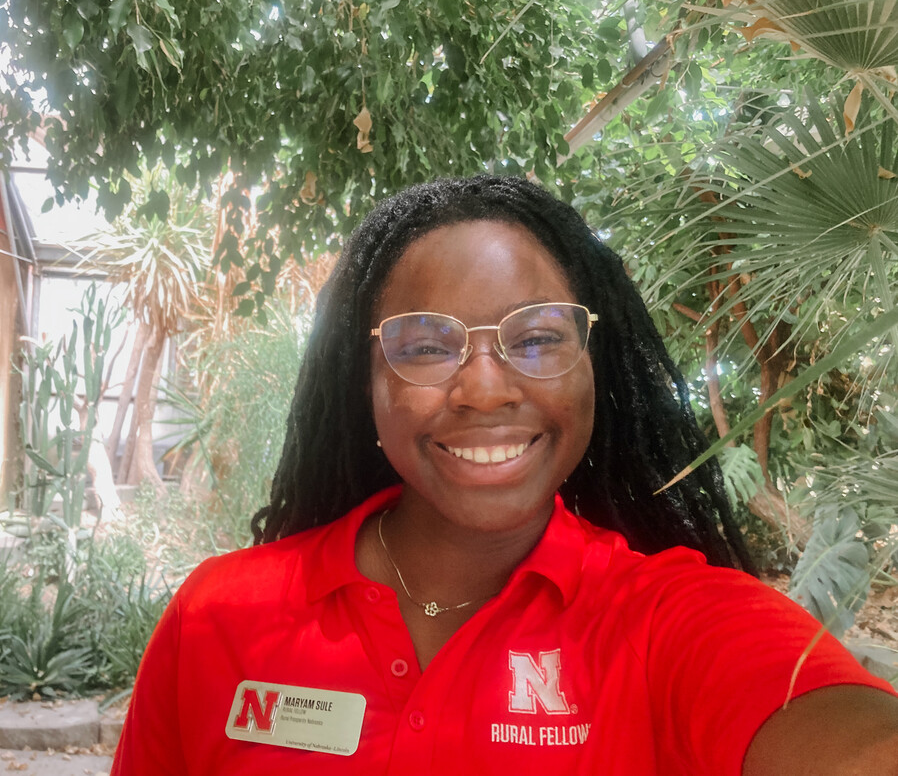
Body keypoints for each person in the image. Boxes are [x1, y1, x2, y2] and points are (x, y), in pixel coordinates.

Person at [111, 175, 898, 775]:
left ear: (598, 365)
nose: (485, 388)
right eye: (424, 345)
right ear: (364, 381)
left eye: (538, 338)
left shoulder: (670, 622)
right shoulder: (218, 617)